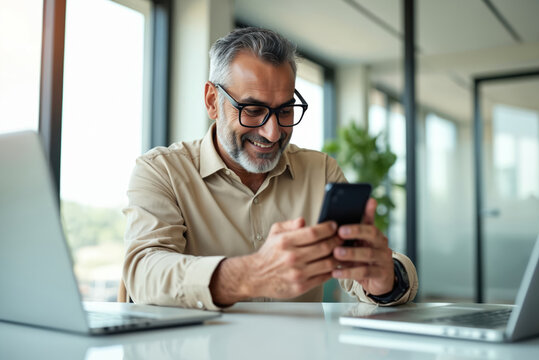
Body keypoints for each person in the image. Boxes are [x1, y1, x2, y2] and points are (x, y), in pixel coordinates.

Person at [121, 27, 418, 311]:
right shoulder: (162, 172)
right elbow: (143, 272)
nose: (273, 133)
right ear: (213, 101)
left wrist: (384, 279)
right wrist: (251, 274)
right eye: (253, 111)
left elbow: (361, 272)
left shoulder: (321, 171)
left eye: (285, 110)